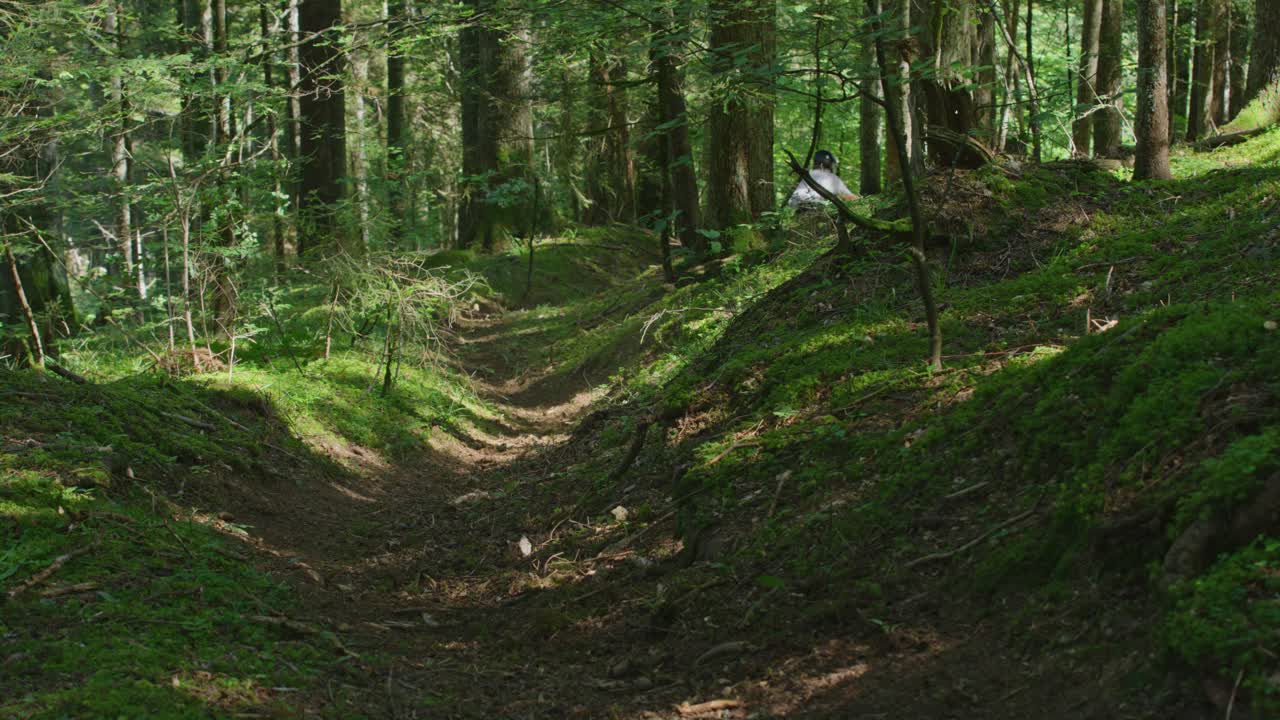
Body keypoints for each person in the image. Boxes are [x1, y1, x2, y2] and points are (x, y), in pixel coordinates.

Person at [786, 150, 858, 209]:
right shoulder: (832, 177)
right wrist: (861, 201)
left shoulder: (804, 175)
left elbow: (792, 201)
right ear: (829, 164)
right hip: (821, 213)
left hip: (799, 213)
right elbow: (849, 197)